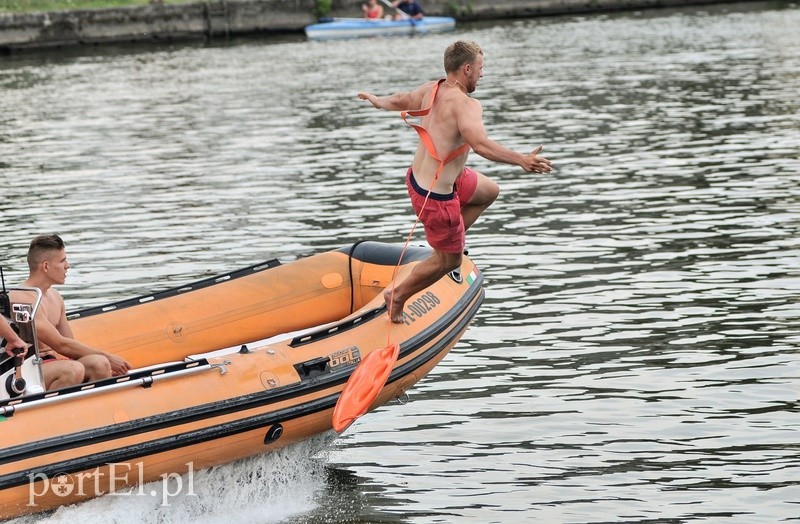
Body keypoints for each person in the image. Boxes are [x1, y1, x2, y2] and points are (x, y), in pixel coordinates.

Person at [358, 41, 553, 323]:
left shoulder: (431, 89)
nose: (482, 75)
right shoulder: (467, 105)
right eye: (481, 69)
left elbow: (403, 99)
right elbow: (480, 144)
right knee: (451, 262)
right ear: (467, 69)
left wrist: (379, 101)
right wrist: (521, 159)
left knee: (489, 191)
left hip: (421, 179)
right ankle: (397, 296)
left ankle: (450, 241)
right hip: (436, 199)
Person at [12, 234, 131, 390]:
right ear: (46, 266)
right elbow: (61, 345)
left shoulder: (55, 297)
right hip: (25, 370)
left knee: (99, 364)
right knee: (74, 369)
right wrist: (109, 357)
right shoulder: (21, 297)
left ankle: (93, 411)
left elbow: (71, 345)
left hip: (52, 365)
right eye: (62, 261)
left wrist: (106, 365)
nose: (67, 266)